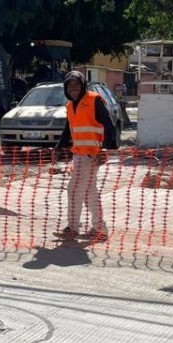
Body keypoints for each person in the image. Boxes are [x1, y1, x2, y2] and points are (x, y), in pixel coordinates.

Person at [54, 71, 118, 242]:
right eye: (69, 85)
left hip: (91, 155)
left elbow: (109, 125)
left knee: (74, 190)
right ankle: (99, 229)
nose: (73, 88)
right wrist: (58, 147)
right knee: (89, 192)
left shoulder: (93, 100)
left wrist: (104, 150)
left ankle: (73, 228)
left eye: (76, 85)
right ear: (66, 88)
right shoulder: (70, 105)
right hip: (79, 154)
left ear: (83, 85)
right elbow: (68, 129)